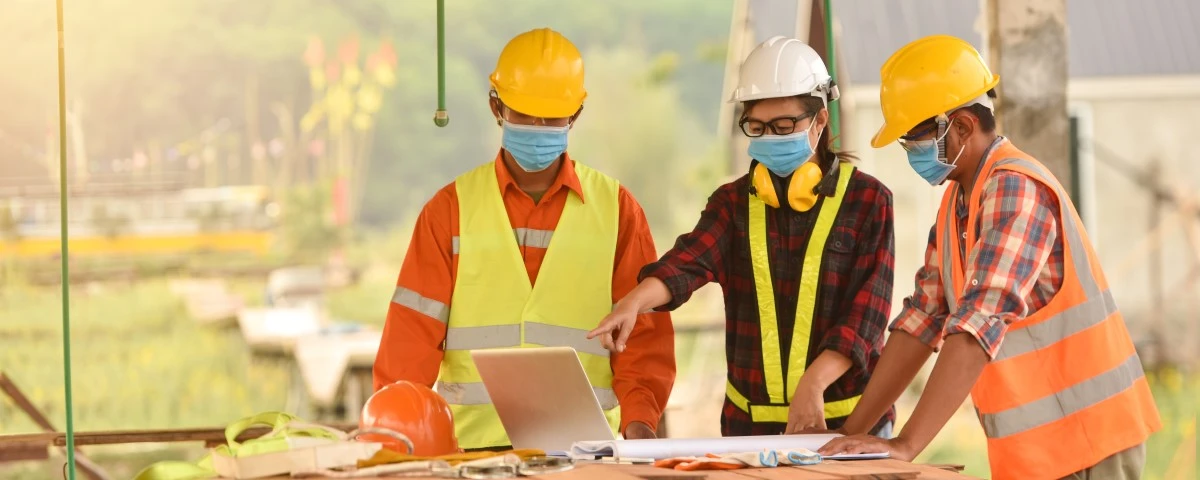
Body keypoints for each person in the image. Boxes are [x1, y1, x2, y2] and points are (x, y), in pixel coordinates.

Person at [817, 35, 1161, 480]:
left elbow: (977, 325)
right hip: (1035, 451)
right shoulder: (957, 203)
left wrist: (905, 445)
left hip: (1089, 443)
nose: (911, 154)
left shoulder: (1014, 188)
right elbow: (922, 320)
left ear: (960, 126)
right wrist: (849, 433)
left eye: (915, 139)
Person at [372, 27, 676, 450]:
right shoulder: (448, 212)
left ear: (576, 115)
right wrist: (395, 438)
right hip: (469, 456)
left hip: (586, 456)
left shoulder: (619, 211)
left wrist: (640, 426)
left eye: (552, 117)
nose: (538, 127)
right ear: (496, 107)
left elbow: (643, 339)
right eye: (525, 113)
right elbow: (410, 344)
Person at [589, 36, 896, 438]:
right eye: (757, 126)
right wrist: (633, 303)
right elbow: (687, 262)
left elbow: (866, 317)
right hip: (750, 431)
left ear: (820, 121)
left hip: (851, 427)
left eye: (784, 126)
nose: (769, 137)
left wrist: (814, 383)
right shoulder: (732, 204)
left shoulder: (869, 201)